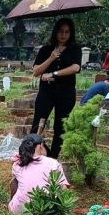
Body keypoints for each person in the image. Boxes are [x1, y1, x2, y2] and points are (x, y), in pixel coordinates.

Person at [31, 18, 82, 158]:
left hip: (66, 93)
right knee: (37, 124)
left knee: (60, 128)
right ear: (55, 32)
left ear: (71, 33)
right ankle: (36, 155)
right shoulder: (46, 49)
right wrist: (51, 58)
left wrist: (53, 73)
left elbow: (75, 68)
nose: (63, 35)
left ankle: (53, 158)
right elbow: (36, 72)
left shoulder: (75, 49)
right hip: (46, 92)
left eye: (67, 32)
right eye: (60, 31)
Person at [8, 134, 69, 214]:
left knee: (15, 181)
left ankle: (14, 207)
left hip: (21, 209)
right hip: (47, 209)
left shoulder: (17, 164)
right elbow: (63, 188)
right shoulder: (53, 163)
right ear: (41, 146)